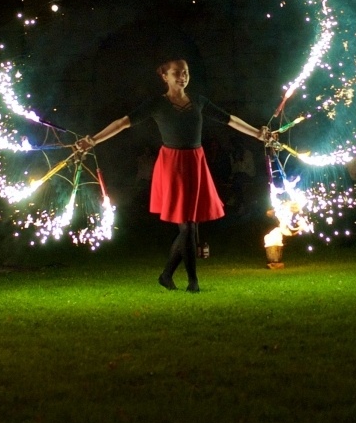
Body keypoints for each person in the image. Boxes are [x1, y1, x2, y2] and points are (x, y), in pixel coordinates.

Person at [79, 59, 271, 292]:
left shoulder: (198, 101)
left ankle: (166, 275)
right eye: (177, 73)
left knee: (191, 226)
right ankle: (193, 282)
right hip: (172, 165)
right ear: (165, 77)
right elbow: (122, 123)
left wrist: (257, 134)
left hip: (195, 162)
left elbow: (229, 120)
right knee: (188, 226)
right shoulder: (157, 104)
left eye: (186, 73)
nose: (182, 77)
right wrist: (93, 140)